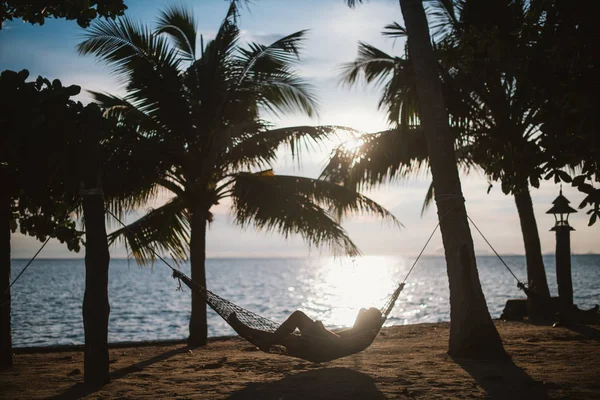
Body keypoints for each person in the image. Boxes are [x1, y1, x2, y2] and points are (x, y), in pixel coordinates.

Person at [228, 307, 383, 352]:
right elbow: (360, 313)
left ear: (370, 319)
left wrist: (322, 330)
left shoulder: (365, 333)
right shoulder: (363, 329)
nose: (365, 312)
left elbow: (343, 342)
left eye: (368, 313)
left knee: (298, 316)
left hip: (324, 343)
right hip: (323, 340)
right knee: (296, 321)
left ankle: (246, 330)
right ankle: (264, 338)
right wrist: (366, 313)